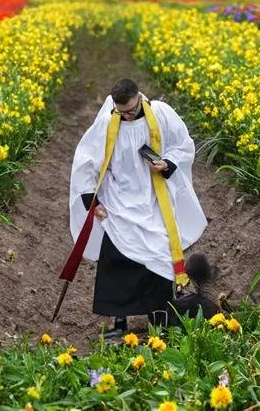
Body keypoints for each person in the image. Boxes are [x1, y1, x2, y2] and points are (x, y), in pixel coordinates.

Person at [68, 78, 207, 338]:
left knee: (157, 256)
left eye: (132, 111)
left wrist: (166, 163)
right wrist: (92, 201)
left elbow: (183, 145)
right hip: (118, 202)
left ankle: (160, 318)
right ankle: (119, 323)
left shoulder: (162, 114)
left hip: (154, 199)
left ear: (140, 98)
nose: (128, 117)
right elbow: (88, 161)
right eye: (122, 113)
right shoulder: (108, 123)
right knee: (117, 261)